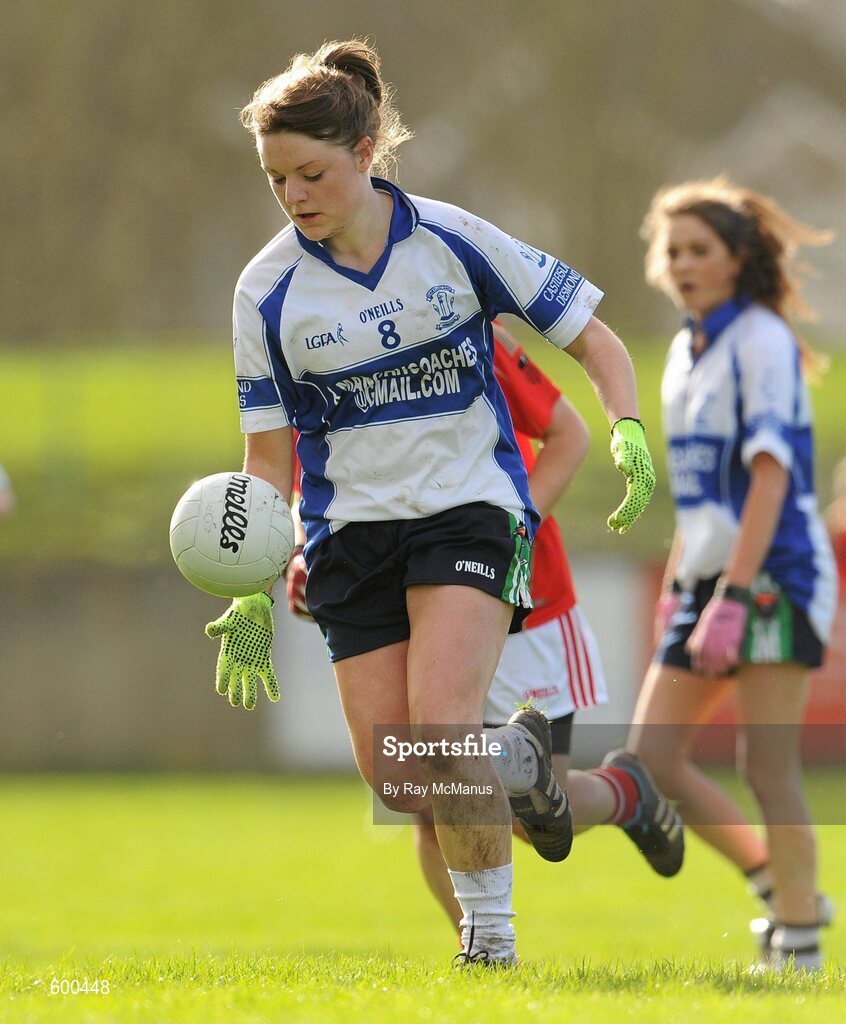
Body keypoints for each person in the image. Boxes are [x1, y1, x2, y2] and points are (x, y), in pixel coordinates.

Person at [206, 39, 655, 966]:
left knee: (444, 725)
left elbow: (595, 339)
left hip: (469, 514)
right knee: (400, 779)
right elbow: (266, 457)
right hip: (346, 539)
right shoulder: (264, 291)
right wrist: (250, 581)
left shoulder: (454, 239)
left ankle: (489, 949)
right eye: (276, 178)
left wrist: (628, 428)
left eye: (312, 172)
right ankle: (520, 765)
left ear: (367, 150)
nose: (294, 195)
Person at [627, 178, 837, 972]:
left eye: (698, 250)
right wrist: (685, 584)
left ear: (737, 259)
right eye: (670, 250)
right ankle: (782, 887)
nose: (681, 263)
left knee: (765, 763)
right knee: (650, 762)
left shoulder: (761, 338)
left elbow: (771, 479)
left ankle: (802, 946)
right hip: (711, 580)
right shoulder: (688, 347)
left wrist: (737, 594)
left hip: (775, 572)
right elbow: (699, 488)